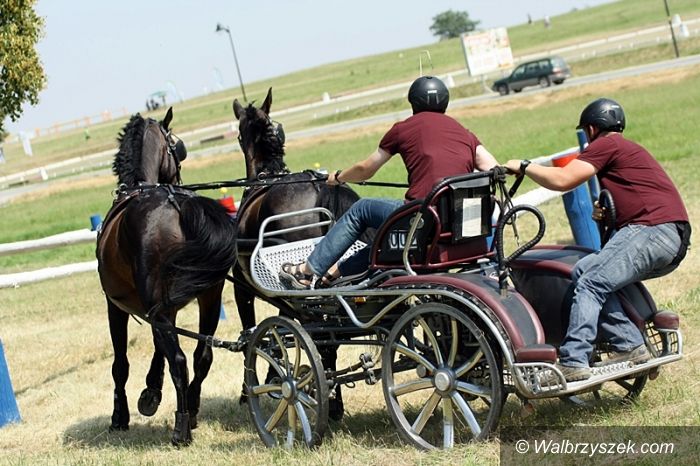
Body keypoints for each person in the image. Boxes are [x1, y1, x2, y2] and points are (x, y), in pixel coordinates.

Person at [505, 97, 691, 382]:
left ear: (591, 129)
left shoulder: (606, 144)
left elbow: (563, 179)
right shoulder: (627, 148)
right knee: (584, 271)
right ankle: (630, 344)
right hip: (669, 236)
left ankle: (574, 359)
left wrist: (525, 166)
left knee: (591, 282)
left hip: (651, 230)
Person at [279, 75, 499, 289]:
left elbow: (366, 169)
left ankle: (306, 272)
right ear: (445, 101)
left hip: (424, 220)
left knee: (362, 209)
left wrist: (339, 177)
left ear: (413, 101)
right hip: (460, 226)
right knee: (390, 233)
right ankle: (337, 272)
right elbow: (493, 168)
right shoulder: (464, 133)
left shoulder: (403, 129)